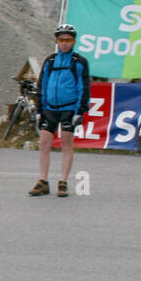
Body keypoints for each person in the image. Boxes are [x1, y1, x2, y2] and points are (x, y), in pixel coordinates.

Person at [29, 23, 90, 198]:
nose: (64, 43)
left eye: (68, 40)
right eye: (61, 40)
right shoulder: (49, 61)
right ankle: (43, 181)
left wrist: (80, 110)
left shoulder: (79, 62)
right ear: (57, 41)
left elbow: (83, 87)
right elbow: (42, 85)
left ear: (74, 41)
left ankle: (63, 181)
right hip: (50, 109)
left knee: (66, 145)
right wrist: (40, 108)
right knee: (44, 144)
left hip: (69, 109)